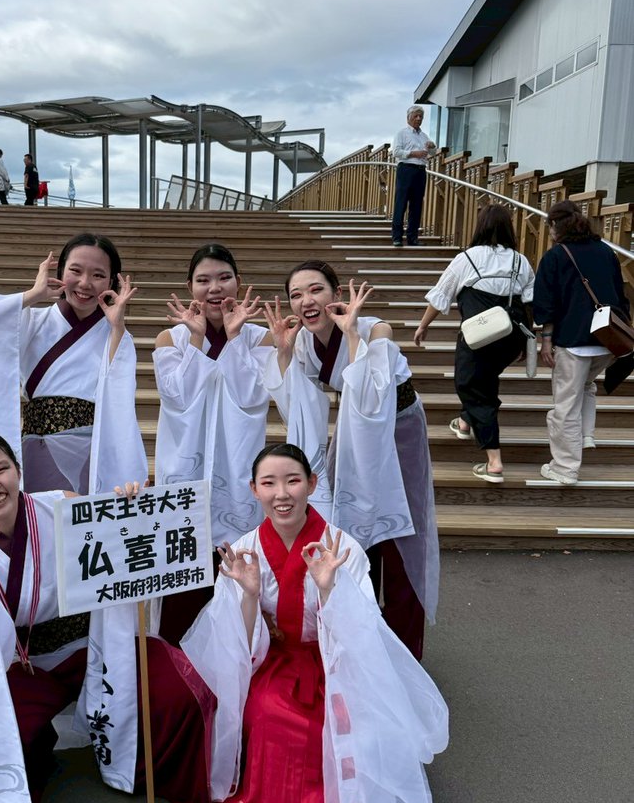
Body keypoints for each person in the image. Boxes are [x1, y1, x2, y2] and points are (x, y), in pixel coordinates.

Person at [0, 431, 216, 803]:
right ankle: (40, 755)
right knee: (8, 738)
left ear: (17, 471)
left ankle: (156, 772)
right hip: (24, 665)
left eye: (1, 469)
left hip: (92, 644)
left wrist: (127, 509)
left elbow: (122, 544)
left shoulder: (59, 505)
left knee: (174, 691)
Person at [181, 443, 448, 803]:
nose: (281, 494)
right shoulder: (246, 549)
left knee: (332, 723)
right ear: (254, 490)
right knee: (266, 713)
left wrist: (328, 590)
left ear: (312, 484)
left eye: (292, 481)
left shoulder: (342, 548)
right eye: (269, 483)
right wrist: (249, 595)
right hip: (275, 659)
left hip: (334, 660)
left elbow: (362, 634)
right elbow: (235, 640)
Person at [263, 262, 438, 660]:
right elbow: (298, 404)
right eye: (296, 295)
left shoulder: (376, 330)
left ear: (337, 294)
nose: (306, 301)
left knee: (400, 533)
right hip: (352, 432)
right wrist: (284, 352)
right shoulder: (303, 341)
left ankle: (403, 650)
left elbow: (373, 395)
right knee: (354, 530)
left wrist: (352, 334)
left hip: (397, 431)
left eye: (316, 290)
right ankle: (363, 641)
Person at [0, 232, 147, 496]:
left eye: (98, 275)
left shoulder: (115, 333)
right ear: (59, 271)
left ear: (112, 281)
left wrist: (117, 327)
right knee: (43, 516)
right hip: (38, 445)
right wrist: (32, 295)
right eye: (75, 271)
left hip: (95, 450)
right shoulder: (31, 320)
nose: (85, 283)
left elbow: (119, 392)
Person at [152, 243, 274, 644]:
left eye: (224, 278)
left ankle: (237, 655)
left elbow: (252, 397)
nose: (214, 288)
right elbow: (178, 399)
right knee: (183, 576)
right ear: (190, 287)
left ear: (239, 282)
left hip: (237, 466)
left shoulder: (259, 337)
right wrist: (197, 340)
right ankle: (176, 661)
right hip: (186, 466)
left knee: (234, 573)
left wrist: (235, 339)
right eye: (203, 280)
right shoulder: (171, 338)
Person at [413, 204, 535, 482]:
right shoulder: (521, 261)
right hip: (511, 336)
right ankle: (465, 422)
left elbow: (441, 295)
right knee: (484, 381)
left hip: (479, 336)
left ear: (480, 226)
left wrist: (423, 325)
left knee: (471, 386)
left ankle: (494, 461)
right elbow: (530, 302)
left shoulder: (466, 258)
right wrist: (528, 339)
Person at [533, 200, 631, 485]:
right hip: (608, 340)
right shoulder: (606, 252)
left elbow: (546, 303)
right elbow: (621, 294)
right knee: (587, 386)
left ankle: (565, 468)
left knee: (565, 404)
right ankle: (586, 435)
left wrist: (546, 339)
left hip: (573, 340)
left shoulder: (555, 256)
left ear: (556, 225)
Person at [390, 106, 436, 246]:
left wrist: (432, 147)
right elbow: (396, 152)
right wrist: (413, 153)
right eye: (416, 116)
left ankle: (412, 238)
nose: (418, 119)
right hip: (406, 169)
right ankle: (397, 237)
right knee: (401, 203)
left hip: (420, 171)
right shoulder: (402, 134)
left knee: (417, 205)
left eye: (421, 116)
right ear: (408, 118)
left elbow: (432, 153)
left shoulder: (424, 136)